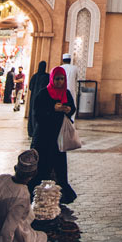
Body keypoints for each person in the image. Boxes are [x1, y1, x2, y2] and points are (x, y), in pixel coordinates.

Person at [30, 65, 78, 206]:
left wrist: (68, 109)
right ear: (52, 78)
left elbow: (72, 108)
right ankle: (38, 194)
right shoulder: (44, 94)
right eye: (57, 79)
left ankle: (57, 196)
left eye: (62, 79)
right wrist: (52, 109)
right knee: (42, 167)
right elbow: (37, 114)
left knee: (58, 168)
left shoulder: (66, 93)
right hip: (44, 138)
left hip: (59, 139)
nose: (59, 82)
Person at [25, 61, 49, 138]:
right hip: (43, 99)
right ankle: (38, 131)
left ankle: (32, 131)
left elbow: (30, 87)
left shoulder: (35, 76)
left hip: (34, 98)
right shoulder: (47, 76)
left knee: (33, 113)